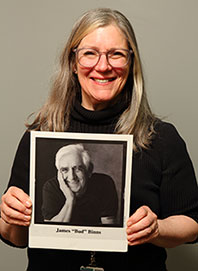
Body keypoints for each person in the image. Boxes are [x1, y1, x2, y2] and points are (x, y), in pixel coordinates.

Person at [0, 7, 198, 271]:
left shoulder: (161, 137)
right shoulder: (40, 134)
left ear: (131, 62)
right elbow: (15, 237)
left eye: (116, 54)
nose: (103, 66)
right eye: (90, 54)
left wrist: (157, 228)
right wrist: (10, 215)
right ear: (73, 62)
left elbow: (192, 223)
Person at [41, 144, 118, 225]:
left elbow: (108, 231)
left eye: (77, 169)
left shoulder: (104, 184)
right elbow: (50, 231)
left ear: (89, 171)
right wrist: (70, 200)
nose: (72, 177)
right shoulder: (50, 188)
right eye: (64, 170)